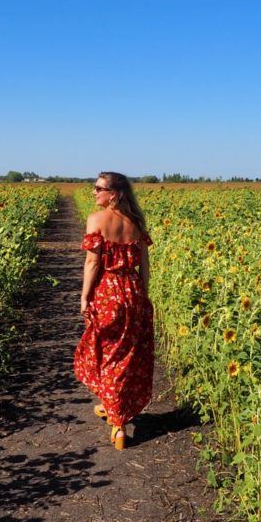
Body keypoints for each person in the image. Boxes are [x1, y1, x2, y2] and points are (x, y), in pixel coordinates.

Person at [74, 171, 154, 450]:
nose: (94, 192)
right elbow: (144, 267)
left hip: (107, 292)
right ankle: (111, 404)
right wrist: (142, 297)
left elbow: (92, 264)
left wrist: (85, 297)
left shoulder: (96, 220)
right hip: (132, 292)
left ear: (115, 194)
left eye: (99, 188)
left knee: (105, 353)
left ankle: (118, 424)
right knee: (126, 355)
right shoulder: (136, 222)